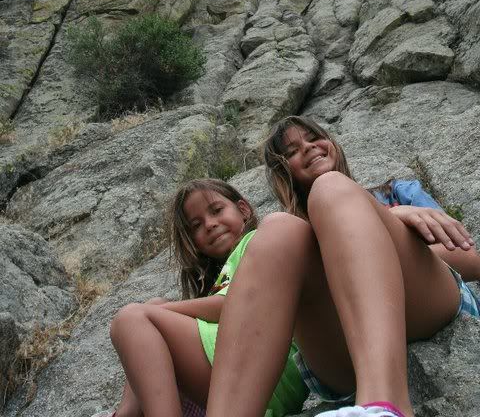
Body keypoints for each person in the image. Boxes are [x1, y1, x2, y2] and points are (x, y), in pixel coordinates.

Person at [204, 115, 480, 417]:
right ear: (283, 173)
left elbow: (470, 259)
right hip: (336, 354)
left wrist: (394, 218)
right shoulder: (293, 240)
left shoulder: (396, 194)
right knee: (275, 229)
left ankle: (384, 404)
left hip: (426, 303)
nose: (308, 148)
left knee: (331, 187)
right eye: (292, 151)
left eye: (313, 137)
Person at [95, 178, 308, 417]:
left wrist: (152, 315)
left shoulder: (256, 242)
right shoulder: (222, 277)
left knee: (132, 320)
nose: (209, 225)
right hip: (248, 374)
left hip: (260, 368)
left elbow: (233, 306)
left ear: (243, 209)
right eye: (196, 225)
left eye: (216, 210)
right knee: (150, 310)